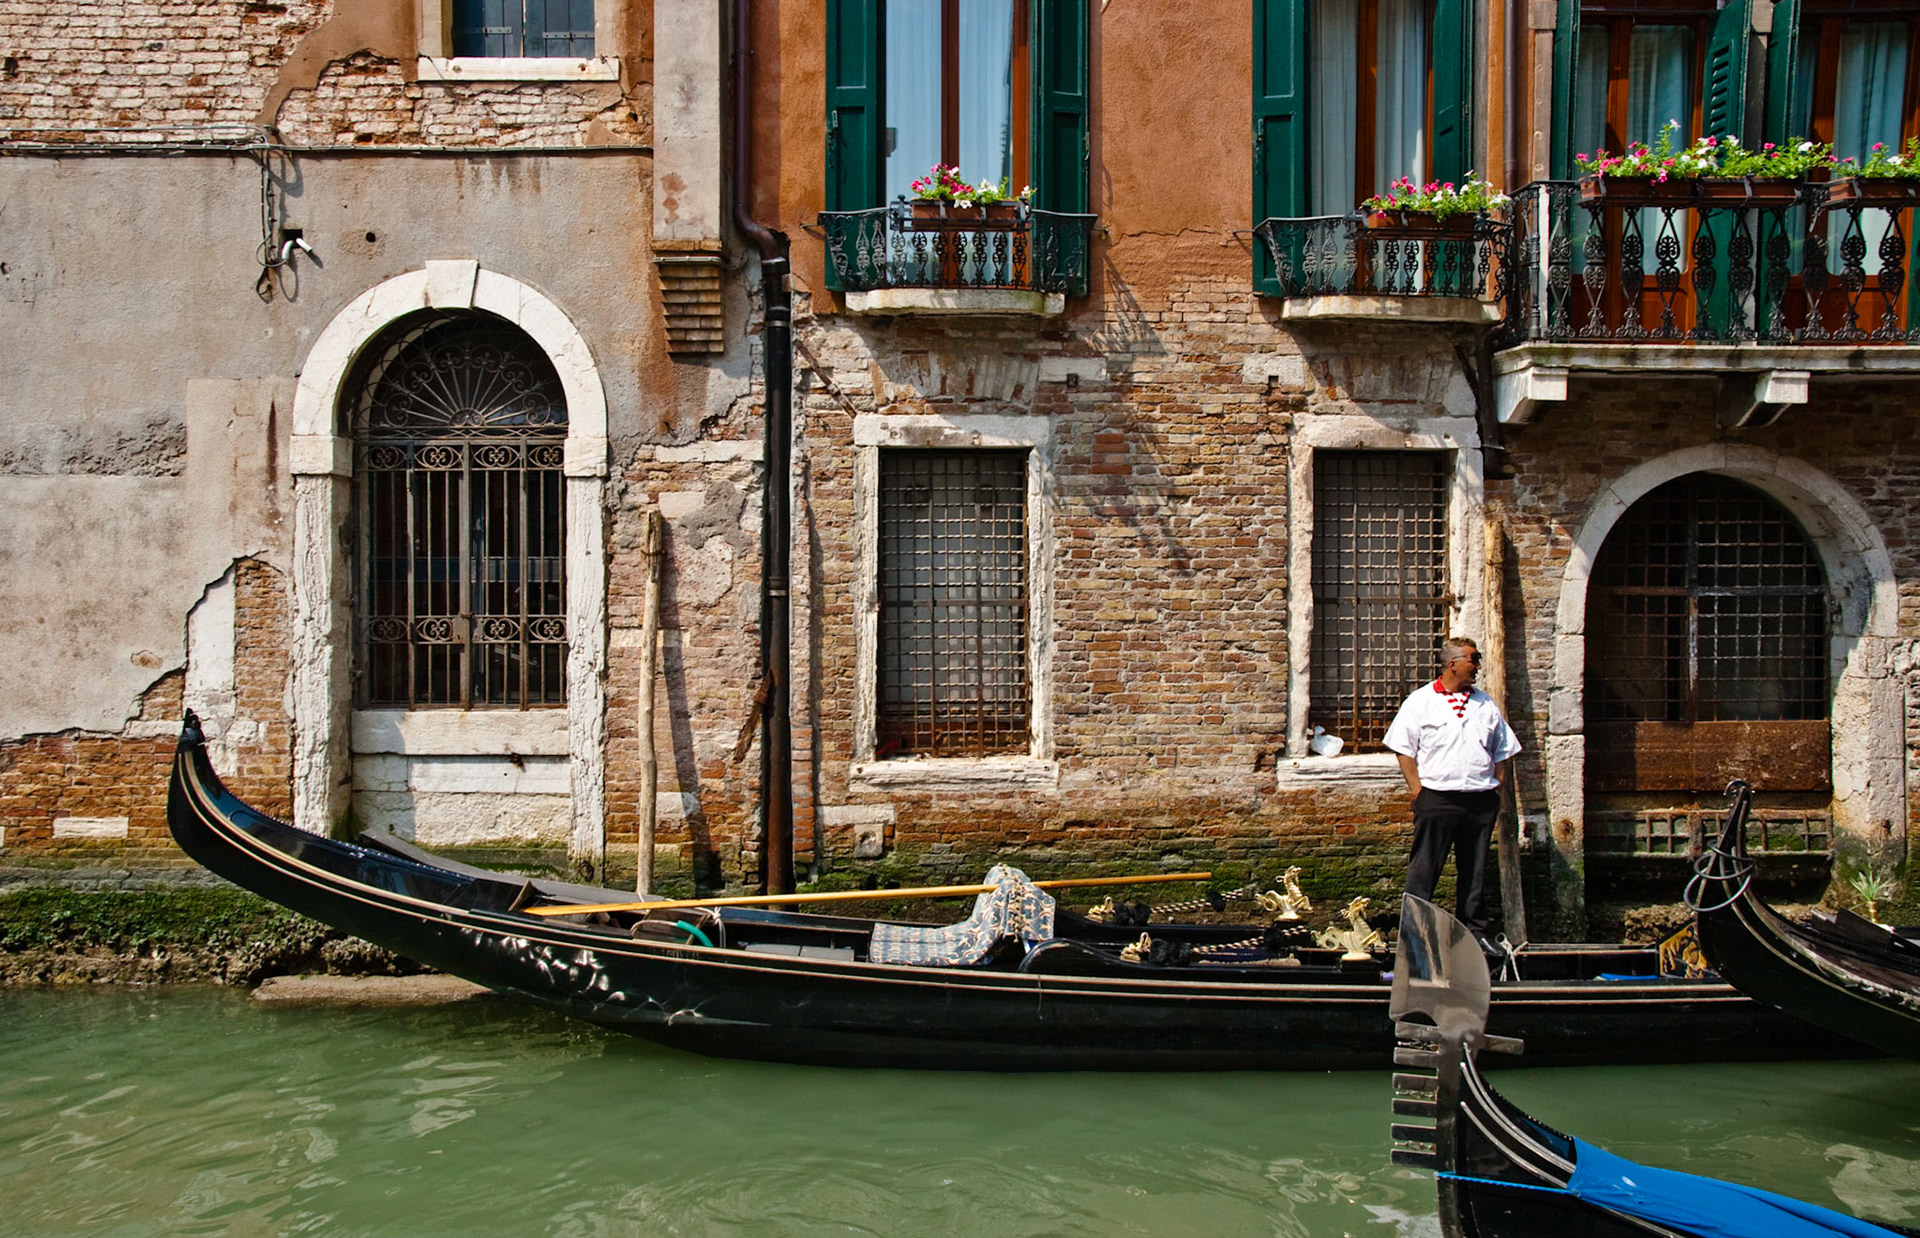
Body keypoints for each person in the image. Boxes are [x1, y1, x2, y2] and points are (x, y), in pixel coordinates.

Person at [1383, 636, 1521, 945]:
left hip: (1479, 802)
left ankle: (1474, 936)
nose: (1478, 666)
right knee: (1424, 870)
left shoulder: (1485, 704)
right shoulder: (1420, 702)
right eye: (1473, 659)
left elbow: (1503, 751)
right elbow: (1403, 750)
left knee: (1474, 872)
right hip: (1437, 798)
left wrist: (1494, 787)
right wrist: (1418, 790)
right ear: (1453, 663)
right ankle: (1415, 937)